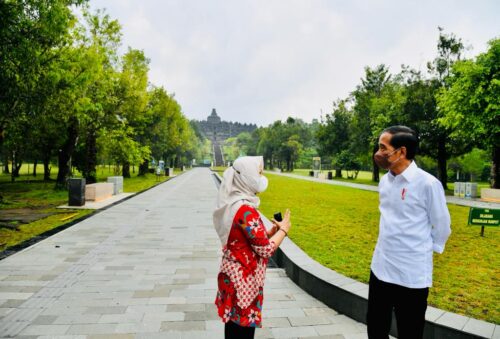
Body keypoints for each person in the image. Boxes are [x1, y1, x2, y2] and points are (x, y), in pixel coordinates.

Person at [367, 126, 451, 339]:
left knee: (410, 332)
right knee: (375, 327)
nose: (378, 153)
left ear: (401, 152)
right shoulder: (385, 181)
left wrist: (423, 249)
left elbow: (442, 225)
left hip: (411, 275)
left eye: (383, 148)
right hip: (381, 267)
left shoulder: (428, 184)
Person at [213, 156, 291, 339]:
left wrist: (271, 232)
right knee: (243, 332)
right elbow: (265, 250)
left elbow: (248, 239)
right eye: (258, 173)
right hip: (243, 281)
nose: (260, 177)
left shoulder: (233, 203)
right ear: (246, 178)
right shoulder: (245, 210)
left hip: (231, 276)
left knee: (233, 328)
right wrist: (284, 230)